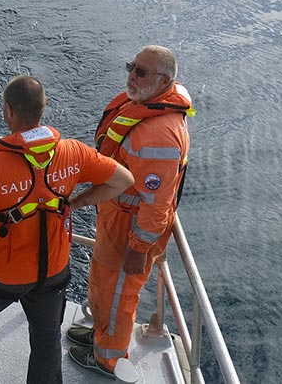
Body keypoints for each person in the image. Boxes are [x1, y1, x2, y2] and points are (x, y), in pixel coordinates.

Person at [0, 76, 135, 384]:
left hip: (2, 276)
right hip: (53, 275)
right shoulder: (73, 152)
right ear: (44, 108)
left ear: (8, 110)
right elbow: (123, 180)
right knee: (46, 341)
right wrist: (76, 201)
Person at [68, 46, 194, 379]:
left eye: (140, 72)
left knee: (119, 295)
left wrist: (139, 248)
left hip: (130, 228)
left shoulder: (160, 136)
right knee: (102, 283)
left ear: (164, 79)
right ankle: (100, 336)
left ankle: (108, 360)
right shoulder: (143, 105)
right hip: (115, 216)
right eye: (131, 67)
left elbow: (157, 204)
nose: (131, 76)